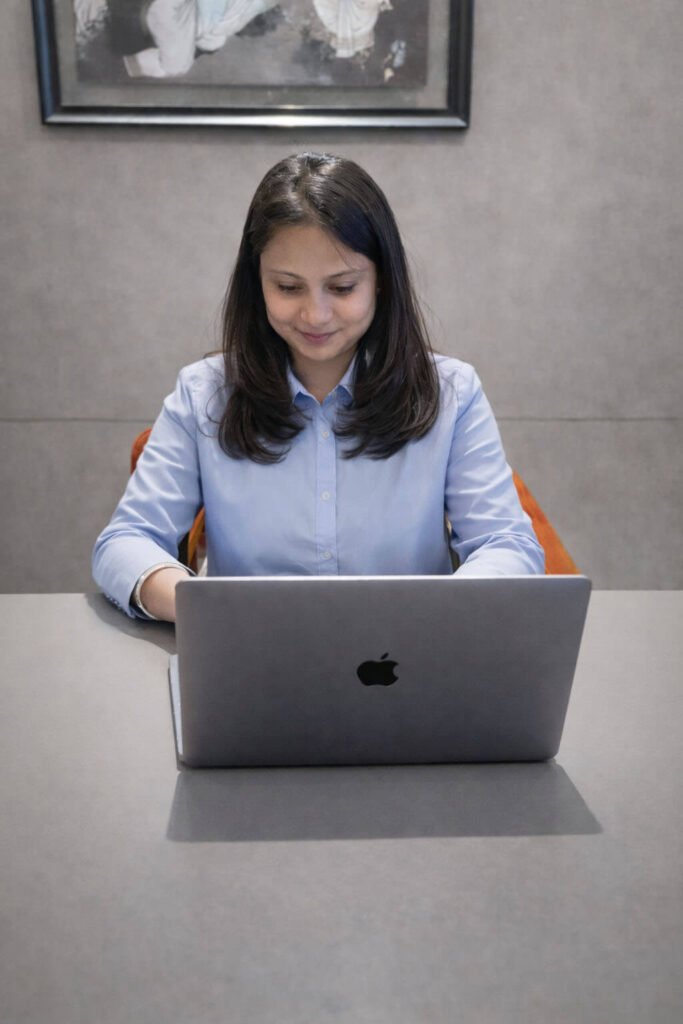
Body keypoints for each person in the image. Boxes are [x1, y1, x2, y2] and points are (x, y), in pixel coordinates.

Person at [92, 152, 544, 622]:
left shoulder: (451, 393)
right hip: (247, 655)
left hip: (408, 661)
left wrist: (433, 613)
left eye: (343, 287)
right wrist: (207, 611)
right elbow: (125, 543)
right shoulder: (204, 394)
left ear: (382, 282)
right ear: (257, 283)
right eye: (288, 288)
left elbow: (507, 544)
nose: (315, 315)